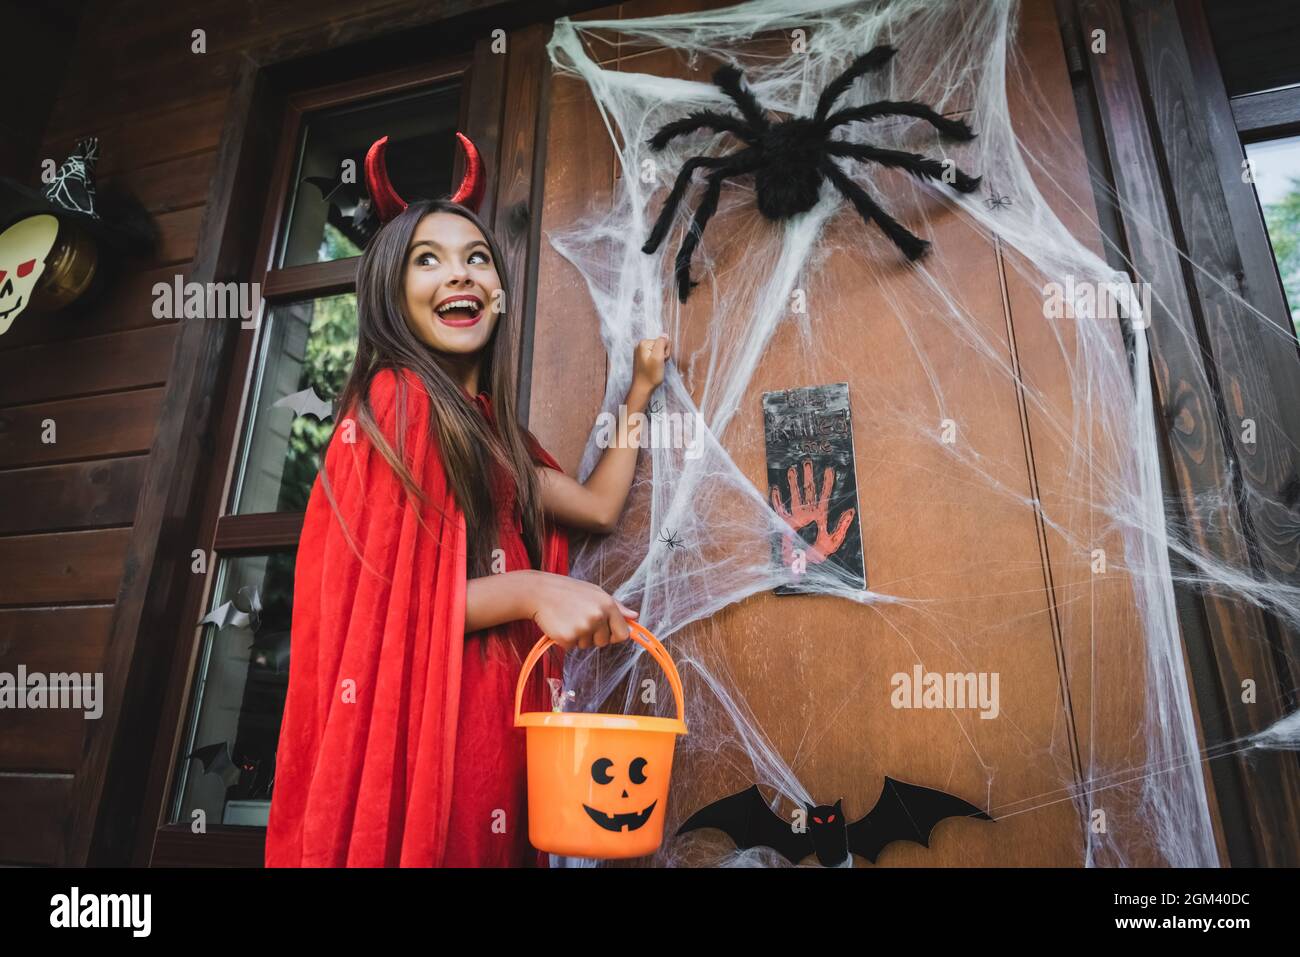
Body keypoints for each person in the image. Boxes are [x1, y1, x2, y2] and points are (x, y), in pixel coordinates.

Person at [264, 133, 670, 867]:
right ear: (392, 291)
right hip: (427, 734)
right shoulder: (397, 404)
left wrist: (639, 392)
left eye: (476, 257)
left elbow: (599, 506)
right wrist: (530, 587)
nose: (460, 273)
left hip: (496, 729)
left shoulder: (496, 437)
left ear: (500, 290)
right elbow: (380, 612)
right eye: (428, 259)